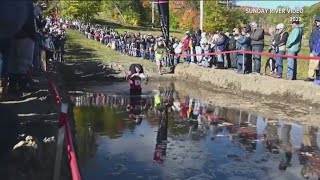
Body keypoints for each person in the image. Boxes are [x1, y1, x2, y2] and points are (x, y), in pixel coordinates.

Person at [306, 16, 320, 81]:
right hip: (312, 50)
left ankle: (318, 77)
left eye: (318, 21)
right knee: (311, 64)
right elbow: (311, 39)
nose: (316, 22)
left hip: (318, 50)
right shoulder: (314, 29)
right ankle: (310, 77)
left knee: (318, 65)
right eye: (316, 21)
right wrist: (311, 47)